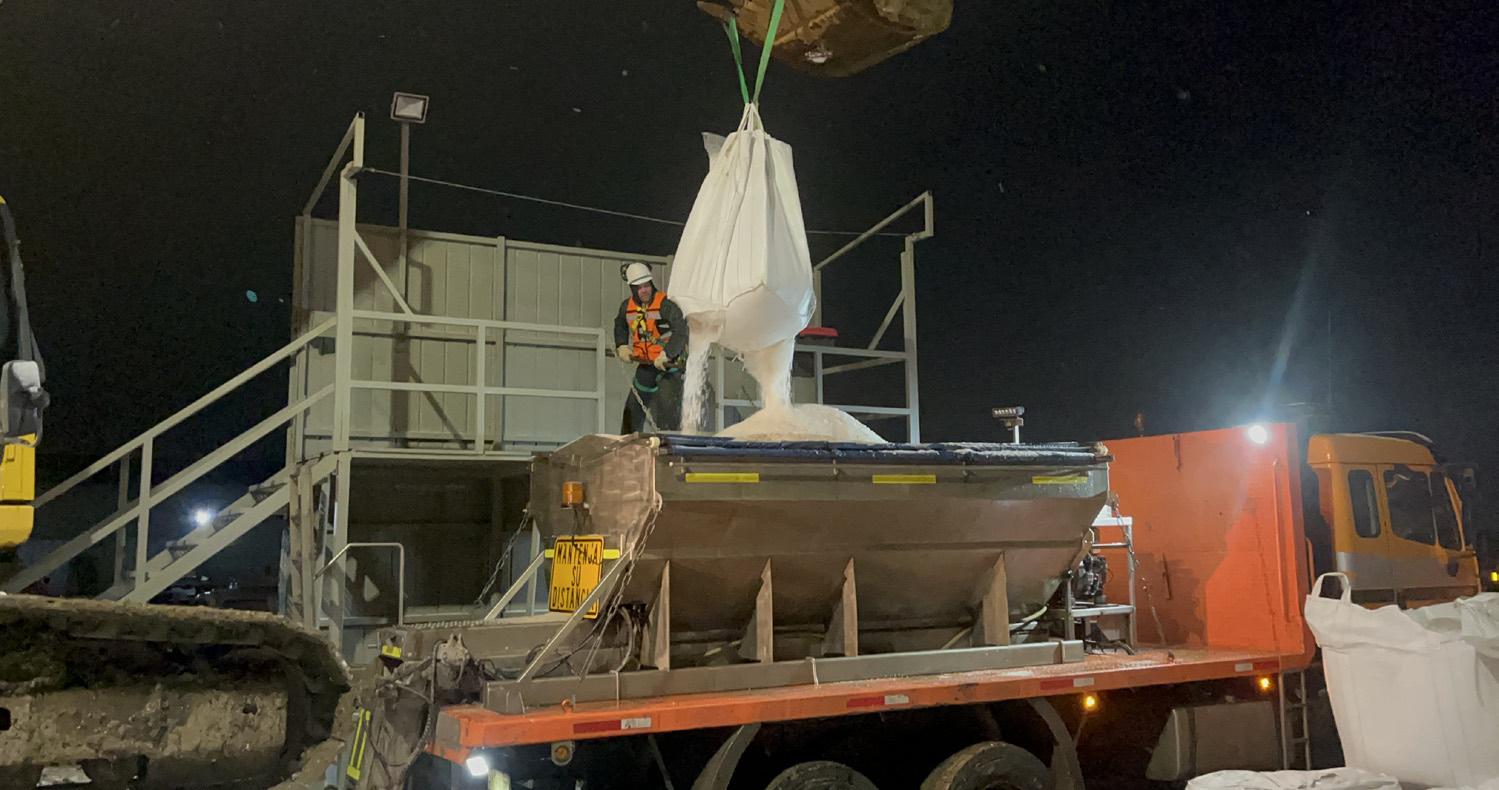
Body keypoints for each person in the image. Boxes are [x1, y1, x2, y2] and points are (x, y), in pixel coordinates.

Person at [614, 263, 688, 433]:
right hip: (646, 364)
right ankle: (628, 442)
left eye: (646, 285)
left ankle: (669, 442)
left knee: (667, 407)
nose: (644, 290)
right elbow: (620, 325)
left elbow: (681, 330)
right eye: (639, 288)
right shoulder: (627, 307)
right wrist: (622, 345)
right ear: (633, 289)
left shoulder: (665, 304)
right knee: (632, 409)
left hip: (669, 366)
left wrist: (667, 354)